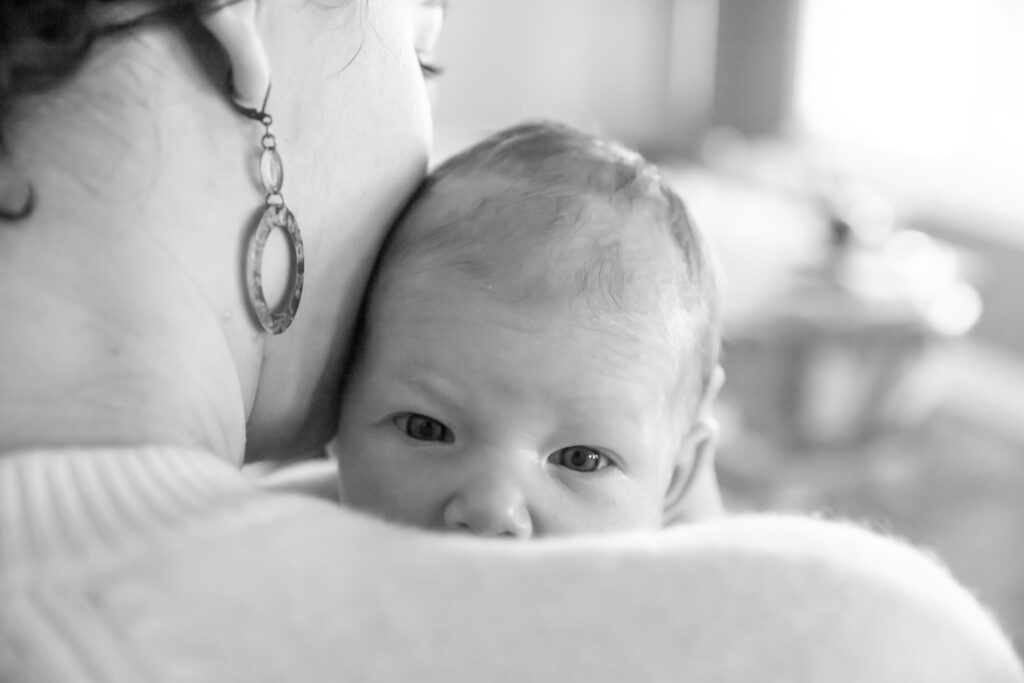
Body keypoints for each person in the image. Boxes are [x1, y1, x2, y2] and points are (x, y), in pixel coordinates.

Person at [0, 1, 1020, 681]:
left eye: (580, 456)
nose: (488, 506)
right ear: (240, 21)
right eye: (422, 47)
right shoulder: (841, 646)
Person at [332, 120, 725, 535]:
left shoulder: (696, 589)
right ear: (334, 417)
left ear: (676, 478)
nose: (492, 508)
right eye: (425, 429)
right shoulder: (279, 550)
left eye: (582, 459)